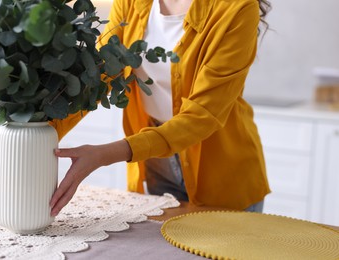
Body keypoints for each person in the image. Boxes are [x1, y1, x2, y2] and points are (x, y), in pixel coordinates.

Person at [49, 0, 272, 217]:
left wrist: (103, 155)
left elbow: (201, 116)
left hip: (222, 173)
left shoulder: (237, 7)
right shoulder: (130, 3)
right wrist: (44, 131)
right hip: (157, 162)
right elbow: (98, 77)